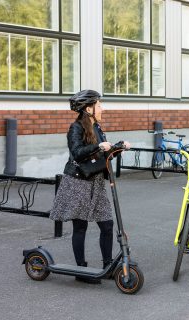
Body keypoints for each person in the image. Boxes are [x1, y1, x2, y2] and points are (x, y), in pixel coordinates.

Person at [50, 89, 130, 283]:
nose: (102, 107)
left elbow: (104, 154)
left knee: (107, 225)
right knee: (80, 227)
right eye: (99, 104)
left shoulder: (97, 127)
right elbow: (77, 152)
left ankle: (108, 265)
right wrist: (97, 147)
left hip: (95, 182)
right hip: (78, 182)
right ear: (88, 108)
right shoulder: (76, 128)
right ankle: (80, 271)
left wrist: (119, 147)